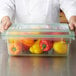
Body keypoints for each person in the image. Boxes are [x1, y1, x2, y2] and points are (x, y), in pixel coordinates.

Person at [0, 0, 76, 32]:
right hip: (21, 37)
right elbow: (6, 4)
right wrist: (5, 18)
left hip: (51, 36)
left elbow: (68, 3)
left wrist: (73, 17)